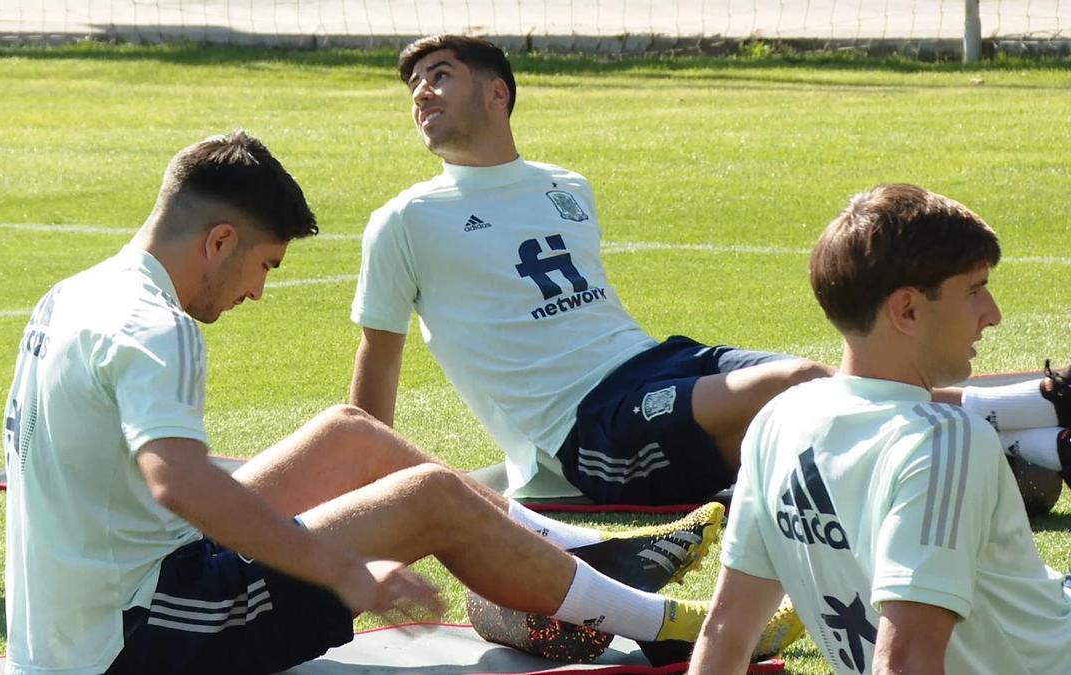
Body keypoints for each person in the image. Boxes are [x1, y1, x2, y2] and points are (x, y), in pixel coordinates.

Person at [2, 130, 799, 675]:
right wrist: (342, 569)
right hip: (137, 637)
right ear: (218, 240)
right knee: (430, 500)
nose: (257, 290)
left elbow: (136, 483)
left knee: (350, 436)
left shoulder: (77, 294)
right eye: (265, 266)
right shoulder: (156, 327)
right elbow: (179, 479)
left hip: (97, 608)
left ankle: (576, 555)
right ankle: (661, 629)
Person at [349, 33, 1071, 507]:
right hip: (584, 430)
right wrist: (369, 489)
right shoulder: (405, 220)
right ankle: (1043, 408)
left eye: (439, 77)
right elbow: (376, 364)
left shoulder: (566, 186)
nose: (421, 94)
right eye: (413, 87)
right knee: (799, 387)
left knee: (831, 398)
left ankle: (1040, 446)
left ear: (496, 92)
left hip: (656, 361)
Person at [687, 184, 1071, 675]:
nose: (991, 315)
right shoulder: (942, 440)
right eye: (974, 291)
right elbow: (905, 661)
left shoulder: (778, 420)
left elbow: (727, 630)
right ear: (907, 310)